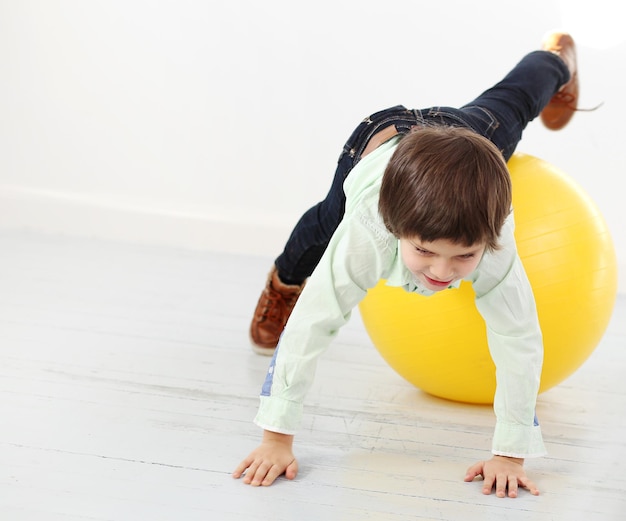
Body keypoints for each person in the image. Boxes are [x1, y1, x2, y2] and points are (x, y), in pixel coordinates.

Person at [233, 32, 581, 498]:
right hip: (380, 140)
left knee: (513, 101)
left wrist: (510, 452)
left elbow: (517, 335)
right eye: (424, 251)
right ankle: (283, 281)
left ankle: (556, 58)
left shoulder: (495, 237)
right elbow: (315, 322)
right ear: (397, 230)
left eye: (464, 256)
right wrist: (276, 438)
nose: (441, 271)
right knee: (322, 224)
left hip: (463, 136)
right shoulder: (369, 230)